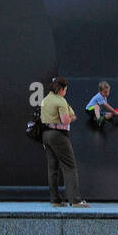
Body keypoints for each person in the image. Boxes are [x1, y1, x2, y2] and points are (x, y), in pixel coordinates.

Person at [40, 77, 88, 207]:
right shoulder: (60, 101)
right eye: (65, 90)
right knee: (69, 166)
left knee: (52, 168)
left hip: (46, 134)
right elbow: (65, 120)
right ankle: (76, 200)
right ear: (60, 89)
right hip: (59, 135)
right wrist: (72, 118)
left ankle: (55, 200)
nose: (66, 92)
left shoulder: (45, 99)